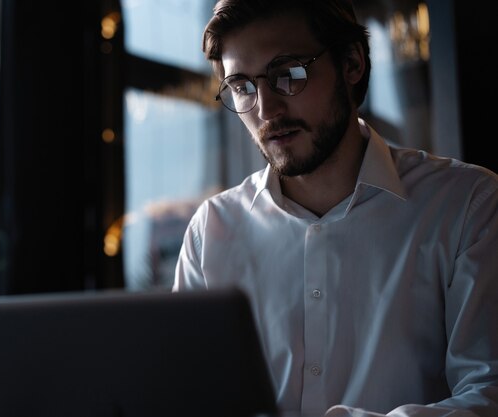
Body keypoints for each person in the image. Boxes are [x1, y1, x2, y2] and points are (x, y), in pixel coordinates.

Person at [172, 0, 498, 416]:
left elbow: (489, 393)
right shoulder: (210, 232)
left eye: (288, 75)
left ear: (352, 64)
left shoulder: (467, 205)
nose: (266, 110)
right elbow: (185, 396)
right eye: (242, 87)